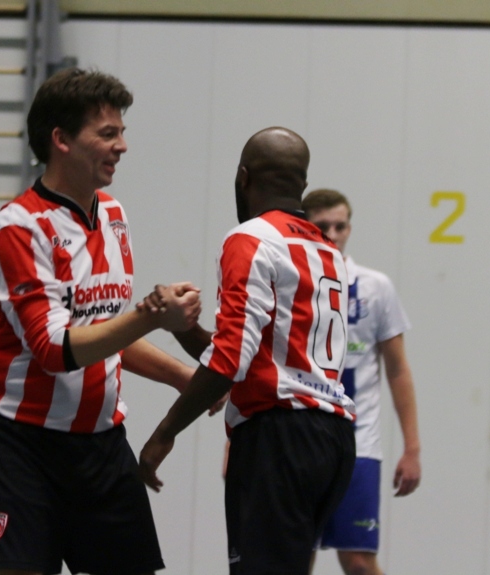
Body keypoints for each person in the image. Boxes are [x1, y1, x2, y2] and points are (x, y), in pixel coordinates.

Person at [0, 67, 213, 575]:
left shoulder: (113, 215)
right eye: (107, 133)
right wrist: (152, 315)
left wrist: (186, 378)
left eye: (122, 131)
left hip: (100, 442)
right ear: (61, 140)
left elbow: (102, 331)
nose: (122, 145)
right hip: (18, 444)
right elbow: (55, 349)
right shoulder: (19, 227)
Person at [138, 127, 357, 575]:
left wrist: (165, 432)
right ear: (302, 184)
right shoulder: (327, 251)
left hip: (279, 440)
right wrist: (182, 328)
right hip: (332, 441)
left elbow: (230, 360)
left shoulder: (250, 238)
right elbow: (257, 353)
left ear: (243, 177)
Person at [302, 189, 421, 575]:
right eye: (323, 226)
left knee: (358, 561)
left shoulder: (375, 287)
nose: (333, 234)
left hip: (359, 445)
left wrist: (412, 449)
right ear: (305, 227)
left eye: (341, 226)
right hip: (299, 442)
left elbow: (398, 370)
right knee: (294, 559)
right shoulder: (291, 284)